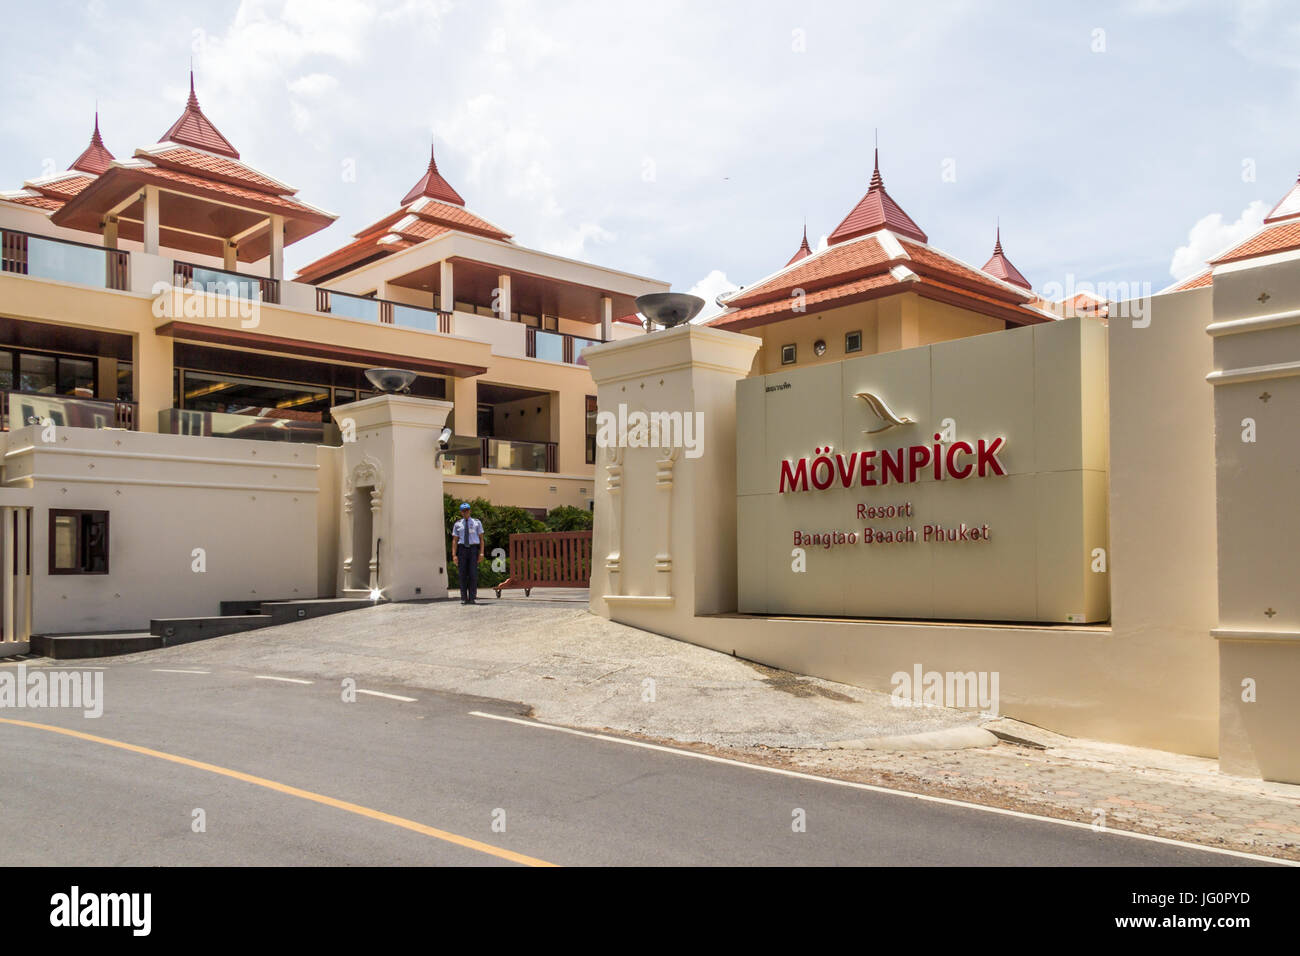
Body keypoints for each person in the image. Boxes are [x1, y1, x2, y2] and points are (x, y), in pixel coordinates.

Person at [450, 502, 484, 604]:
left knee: (473, 574)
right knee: (462, 574)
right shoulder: (457, 524)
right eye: (464, 511)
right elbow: (455, 541)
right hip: (462, 550)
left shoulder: (477, 523)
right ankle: (464, 598)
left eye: (467, 510)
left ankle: (472, 597)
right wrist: (454, 555)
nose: (466, 512)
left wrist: (481, 553)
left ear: (470, 511)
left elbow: (481, 539)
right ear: (461, 512)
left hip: (473, 549)